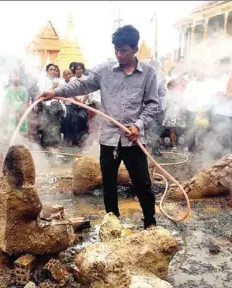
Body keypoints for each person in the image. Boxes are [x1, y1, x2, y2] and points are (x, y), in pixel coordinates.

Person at [40, 25, 160, 229]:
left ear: (135, 49)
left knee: (142, 183)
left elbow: (153, 104)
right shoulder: (105, 70)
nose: (119, 54)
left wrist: (138, 125)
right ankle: (112, 223)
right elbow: (81, 85)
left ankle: (150, 223)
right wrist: (56, 92)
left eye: (124, 50)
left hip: (133, 139)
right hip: (109, 138)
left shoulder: (148, 73)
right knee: (109, 184)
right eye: (116, 50)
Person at [210, 57, 232, 160]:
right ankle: (218, 153)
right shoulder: (222, 75)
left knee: (229, 133)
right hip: (218, 108)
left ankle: (230, 155)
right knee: (217, 131)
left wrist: (228, 95)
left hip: (230, 109)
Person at [37, 63, 65, 149]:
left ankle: (56, 143)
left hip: (57, 105)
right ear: (47, 71)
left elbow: (64, 93)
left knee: (56, 125)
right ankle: (46, 144)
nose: (53, 71)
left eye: (55, 70)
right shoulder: (42, 81)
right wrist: (53, 87)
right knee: (46, 124)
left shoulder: (60, 81)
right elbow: (43, 93)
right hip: (46, 105)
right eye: (51, 69)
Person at [147, 60, 166, 156]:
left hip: (154, 108)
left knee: (156, 128)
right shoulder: (155, 79)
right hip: (153, 109)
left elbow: (163, 92)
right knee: (155, 128)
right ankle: (155, 149)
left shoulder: (156, 79)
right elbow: (162, 93)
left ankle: (155, 148)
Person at [5, 70, 29, 137]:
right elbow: (7, 104)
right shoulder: (8, 90)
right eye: (13, 76)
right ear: (10, 78)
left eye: (17, 76)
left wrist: (20, 113)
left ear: (20, 78)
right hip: (12, 115)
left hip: (22, 114)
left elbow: (25, 102)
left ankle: (23, 145)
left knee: (23, 132)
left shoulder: (23, 89)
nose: (15, 78)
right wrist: (14, 113)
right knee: (12, 132)